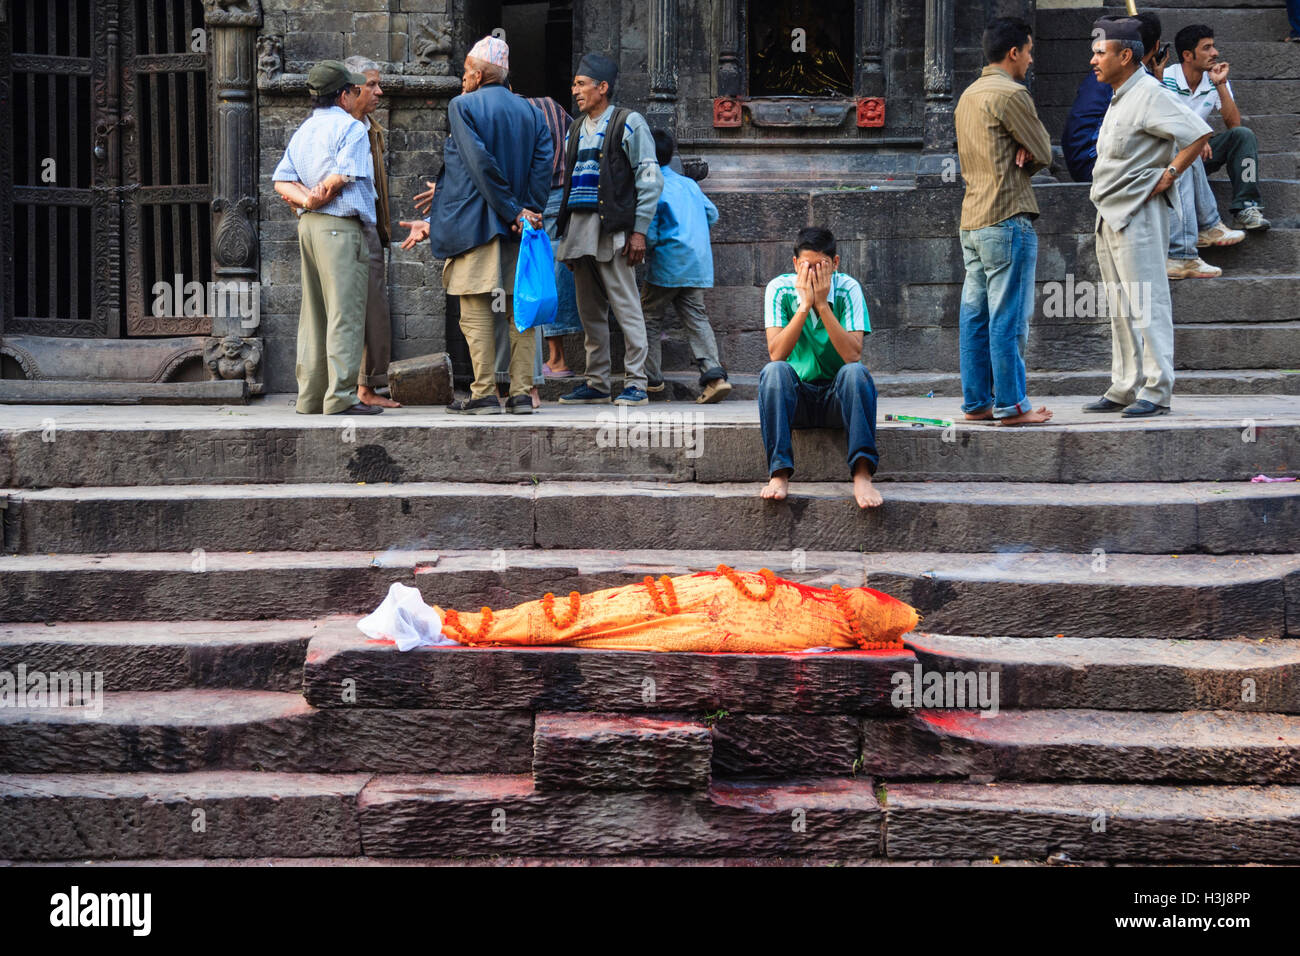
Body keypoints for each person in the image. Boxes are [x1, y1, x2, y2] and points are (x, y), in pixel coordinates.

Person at [398, 36, 551, 414]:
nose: (462, 79)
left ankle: (483, 394)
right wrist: (527, 211)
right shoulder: (533, 113)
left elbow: (480, 164)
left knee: (476, 311)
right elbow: (542, 167)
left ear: (480, 75)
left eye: (466, 72)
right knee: (521, 312)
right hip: (520, 232)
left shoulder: (462, 106)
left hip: (477, 227)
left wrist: (511, 211)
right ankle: (520, 395)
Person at [1083, 16, 1211, 419]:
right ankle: (1125, 385)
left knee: (1148, 302)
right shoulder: (1121, 94)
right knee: (1120, 305)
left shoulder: (1150, 93)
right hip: (1109, 212)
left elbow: (1198, 133)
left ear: (1126, 55)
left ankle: (1157, 389)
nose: (1093, 60)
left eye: (1100, 52)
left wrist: (1170, 174)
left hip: (1139, 210)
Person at [953, 16, 1053, 427]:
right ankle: (1012, 405)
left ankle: (978, 402)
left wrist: (1020, 149)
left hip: (972, 220)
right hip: (1007, 217)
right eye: (1028, 52)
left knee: (974, 316)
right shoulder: (1012, 94)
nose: (1030, 60)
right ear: (1014, 52)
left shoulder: (968, 96)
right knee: (1007, 317)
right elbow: (1045, 150)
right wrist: (1027, 150)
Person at [554, 52, 664, 407]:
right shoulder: (574, 128)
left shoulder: (629, 123)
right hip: (580, 228)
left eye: (581, 84)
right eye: (574, 84)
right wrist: (567, 236)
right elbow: (569, 182)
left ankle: (636, 381)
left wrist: (639, 231)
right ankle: (597, 381)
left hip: (612, 227)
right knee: (589, 310)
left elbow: (649, 178)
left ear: (603, 87)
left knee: (626, 305)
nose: (576, 91)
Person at [272, 60, 380, 416]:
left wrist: (306, 200)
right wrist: (321, 195)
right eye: (355, 89)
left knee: (314, 315)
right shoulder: (351, 128)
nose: (359, 94)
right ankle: (341, 397)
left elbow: (280, 180)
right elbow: (343, 175)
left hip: (309, 227)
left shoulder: (304, 130)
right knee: (344, 313)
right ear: (344, 95)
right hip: (338, 226)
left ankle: (311, 397)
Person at [758, 227, 881, 509]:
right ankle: (778, 473)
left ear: (835, 264)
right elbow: (776, 353)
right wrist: (804, 306)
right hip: (796, 400)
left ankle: (862, 474)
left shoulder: (848, 289)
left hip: (837, 400)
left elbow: (853, 354)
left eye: (820, 266)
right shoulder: (779, 289)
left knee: (856, 373)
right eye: (806, 266)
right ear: (794, 265)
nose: (812, 274)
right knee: (773, 372)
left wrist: (823, 305)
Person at [641, 128, 731, 404]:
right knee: (696, 318)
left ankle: (651, 379)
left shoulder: (652, 184)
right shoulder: (689, 184)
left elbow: (651, 232)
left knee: (649, 317)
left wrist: (648, 246)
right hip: (697, 264)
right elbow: (712, 214)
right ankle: (715, 377)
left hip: (668, 262)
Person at [1164, 24, 1270, 232]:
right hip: (1169, 154)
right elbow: (1161, 124)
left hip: (1200, 152)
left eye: (1213, 46)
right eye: (1206, 48)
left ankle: (1246, 208)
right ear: (1187, 55)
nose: (1215, 53)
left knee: (1243, 136)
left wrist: (1221, 85)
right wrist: (1195, 139)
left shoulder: (1212, 78)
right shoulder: (1166, 78)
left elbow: (1234, 125)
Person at [342, 56, 400, 408]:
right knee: (351, 308)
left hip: (369, 226)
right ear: (353, 88)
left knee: (373, 306)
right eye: (373, 84)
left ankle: (367, 385)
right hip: (348, 224)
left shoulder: (371, 128)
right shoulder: (340, 128)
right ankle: (359, 388)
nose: (379, 91)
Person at [1060, 11, 1170, 183]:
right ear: (1157, 47)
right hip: (1095, 165)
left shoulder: (1117, 74)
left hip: (1080, 160)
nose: (1094, 60)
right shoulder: (1131, 78)